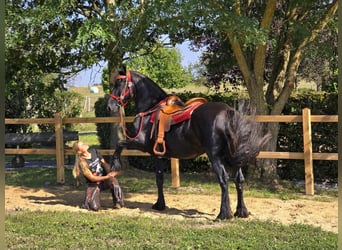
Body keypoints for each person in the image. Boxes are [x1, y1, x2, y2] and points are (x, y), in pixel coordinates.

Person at [72, 140, 124, 211]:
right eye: (82, 145)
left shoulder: (94, 151)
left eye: (84, 143)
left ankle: (117, 202)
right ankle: (88, 201)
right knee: (94, 208)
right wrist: (107, 177)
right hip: (93, 185)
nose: (85, 144)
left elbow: (104, 164)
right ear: (79, 151)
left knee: (113, 181)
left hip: (104, 181)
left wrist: (113, 172)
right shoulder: (82, 162)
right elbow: (92, 178)